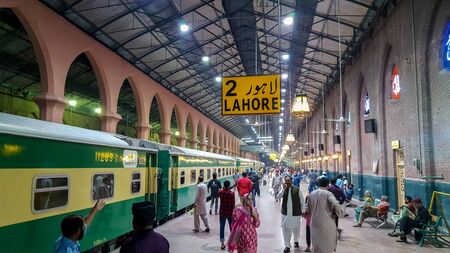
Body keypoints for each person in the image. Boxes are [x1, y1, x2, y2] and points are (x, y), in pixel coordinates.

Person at [307, 176, 343, 253]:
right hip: (326, 223)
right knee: (327, 245)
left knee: (316, 245)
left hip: (314, 223)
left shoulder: (311, 194)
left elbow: (307, 209)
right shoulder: (328, 194)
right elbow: (335, 204)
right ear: (328, 184)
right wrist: (338, 213)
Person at [277, 175, 305, 253]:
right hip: (285, 213)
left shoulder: (297, 189)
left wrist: (303, 210)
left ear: (292, 181)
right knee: (286, 230)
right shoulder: (283, 190)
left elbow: (302, 201)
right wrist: (283, 189)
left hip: (295, 213)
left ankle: (296, 240)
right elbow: (278, 197)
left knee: (296, 229)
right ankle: (287, 246)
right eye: (286, 180)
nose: (288, 182)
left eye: (289, 180)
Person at [218, 180, 235, 250]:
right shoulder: (232, 194)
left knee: (222, 227)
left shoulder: (221, 192)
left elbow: (218, 193)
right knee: (232, 227)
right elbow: (233, 204)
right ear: (229, 185)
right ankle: (231, 242)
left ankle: (222, 243)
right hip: (230, 213)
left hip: (222, 212)